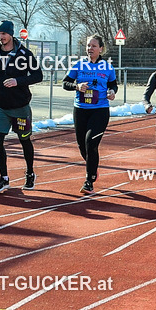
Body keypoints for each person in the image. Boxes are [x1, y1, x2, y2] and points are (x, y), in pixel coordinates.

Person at [0, 20, 43, 192]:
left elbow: (38, 75)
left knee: (24, 140)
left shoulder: (24, 54)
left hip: (20, 105)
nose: (1, 37)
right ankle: (4, 178)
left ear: (11, 34)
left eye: (4, 34)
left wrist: (18, 81)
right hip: (0, 105)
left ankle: (30, 173)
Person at [63, 34, 118, 193]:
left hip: (100, 110)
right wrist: (77, 86)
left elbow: (113, 85)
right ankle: (92, 166)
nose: (90, 49)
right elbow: (65, 83)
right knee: (82, 146)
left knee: (90, 142)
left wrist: (112, 92)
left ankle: (89, 180)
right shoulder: (79, 65)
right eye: (88, 46)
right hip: (80, 109)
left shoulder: (107, 67)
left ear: (101, 49)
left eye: (94, 46)